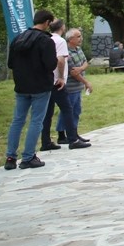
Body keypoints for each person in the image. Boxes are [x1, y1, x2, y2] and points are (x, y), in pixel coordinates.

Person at [4, 9, 58, 170]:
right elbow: (51, 64)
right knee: (36, 120)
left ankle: (10, 157)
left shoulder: (18, 39)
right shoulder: (46, 41)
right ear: (47, 23)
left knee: (17, 120)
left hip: (21, 86)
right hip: (40, 86)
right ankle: (28, 157)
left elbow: (10, 64)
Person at [38, 18, 70, 152]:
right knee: (68, 109)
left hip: (46, 80)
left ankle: (45, 141)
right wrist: (61, 77)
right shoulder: (60, 41)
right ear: (62, 27)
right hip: (57, 81)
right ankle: (73, 137)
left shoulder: (45, 39)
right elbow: (61, 60)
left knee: (47, 113)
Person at [56, 28, 93, 148]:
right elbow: (73, 73)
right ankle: (62, 135)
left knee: (76, 110)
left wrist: (81, 68)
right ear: (70, 39)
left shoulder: (78, 49)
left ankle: (74, 133)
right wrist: (86, 82)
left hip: (78, 86)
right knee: (68, 111)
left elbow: (85, 62)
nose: (81, 38)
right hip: (70, 86)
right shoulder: (66, 51)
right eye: (78, 36)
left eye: (80, 36)